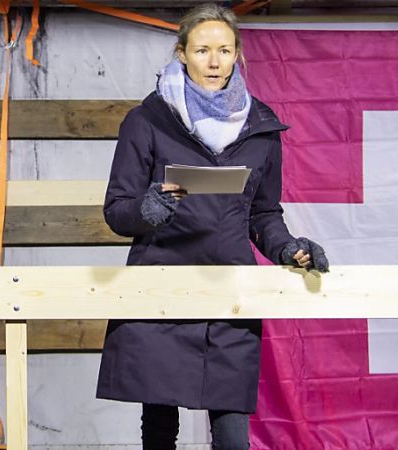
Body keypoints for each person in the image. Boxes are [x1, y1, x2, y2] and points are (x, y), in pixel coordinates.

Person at [96, 4, 329, 449]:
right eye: (202, 50)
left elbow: (262, 213)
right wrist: (148, 209)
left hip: (230, 292)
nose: (214, 60)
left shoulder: (260, 126)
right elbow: (116, 210)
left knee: (231, 429)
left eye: (224, 50)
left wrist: (287, 249)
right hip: (161, 284)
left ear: (237, 53)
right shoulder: (146, 121)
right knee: (160, 426)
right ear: (182, 53)